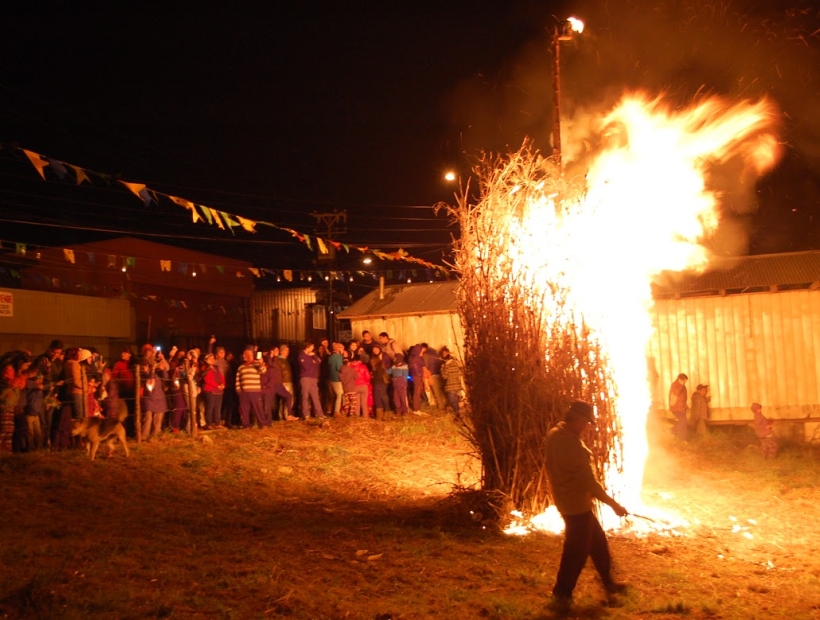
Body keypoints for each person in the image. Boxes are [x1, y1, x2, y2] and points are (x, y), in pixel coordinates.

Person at [545, 400, 628, 606]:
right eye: (585, 422)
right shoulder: (572, 446)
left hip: (567, 501)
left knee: (597, 542)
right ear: (578, 419)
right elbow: (590, 483)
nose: (585, 427)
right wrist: (614, 505)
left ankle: (608, 582)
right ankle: (562, 593)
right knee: (576, 552)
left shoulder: (555, 433)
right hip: (576, 506)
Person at [235, 346, 267, 428]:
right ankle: (246, 425)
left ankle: (262, 424)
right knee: (244, 410)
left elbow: (263, 371)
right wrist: (239, 391)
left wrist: (261, 363)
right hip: (244, 393)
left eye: (245, 354)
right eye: (243, 354)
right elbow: (238, 379)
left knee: (259, 409)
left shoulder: (256, 364)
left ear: (250, 355)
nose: (243, 356)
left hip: (255, 391)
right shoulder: (241, 367)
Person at [298, 341, 324, 419]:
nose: (313, 348)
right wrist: (313, 362)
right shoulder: (301, 355)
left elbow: (318, 362)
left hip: (313, 378)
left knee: (315, 397)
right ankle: (306, 414)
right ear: (307, 346)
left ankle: (319, 413)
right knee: (305, 396)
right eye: (312, 346)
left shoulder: (312, 355)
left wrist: (314, 356)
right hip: (306, 378)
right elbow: (306, 366)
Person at [201, 352, 225, 430]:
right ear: (206, 360)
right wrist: (217, 385)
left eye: (213, 358)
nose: (212, 360)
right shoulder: (205, 368)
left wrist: (223, 384)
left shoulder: (216, 367)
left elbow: (221, 377)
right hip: (210, 390)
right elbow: (207, 379)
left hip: (219, 390)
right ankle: (209, 424)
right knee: (210, 407)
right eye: (210, 358)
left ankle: (217, 423)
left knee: (218, 407)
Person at [440, 348, 464, 414]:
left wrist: (442, 368)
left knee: (452, 401)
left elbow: (444, 376)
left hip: (450, 386)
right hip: (458, 385)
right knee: (457, 400)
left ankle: (457, 413)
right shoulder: (457, 364)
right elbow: (460, 373)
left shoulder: (447, 366)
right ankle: (459, 413)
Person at [407, 343, 428, 415]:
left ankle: (417, 408)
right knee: (417, 392)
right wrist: (420, 375)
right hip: (417, 377)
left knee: (417, 392)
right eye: (421, 351)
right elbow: (419, 367)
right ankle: (416, 409)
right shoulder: (417, 358)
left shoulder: (413, 357)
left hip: (415, 376)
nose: (422, 352)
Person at [668, 373, 689, 440]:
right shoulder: (675, 385)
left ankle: (683, 439)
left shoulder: (682, 386)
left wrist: (685, 405)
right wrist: (681, 385)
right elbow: (676, 393)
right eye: (684, 381)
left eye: (685, 381)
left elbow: (683, 398)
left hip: (681, 408)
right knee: (684, 421)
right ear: (680, 379)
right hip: (676, 408)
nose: (685, 382)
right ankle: (672, 430)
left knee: (684, 423)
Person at [327, 342, 344, 417]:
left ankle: (329, 409)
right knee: (339, 393)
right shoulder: (338, 356)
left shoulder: (331, 356)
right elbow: (339, 367)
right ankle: (336, 411)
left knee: (332, 395)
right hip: (336, 378)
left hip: (330, 377)